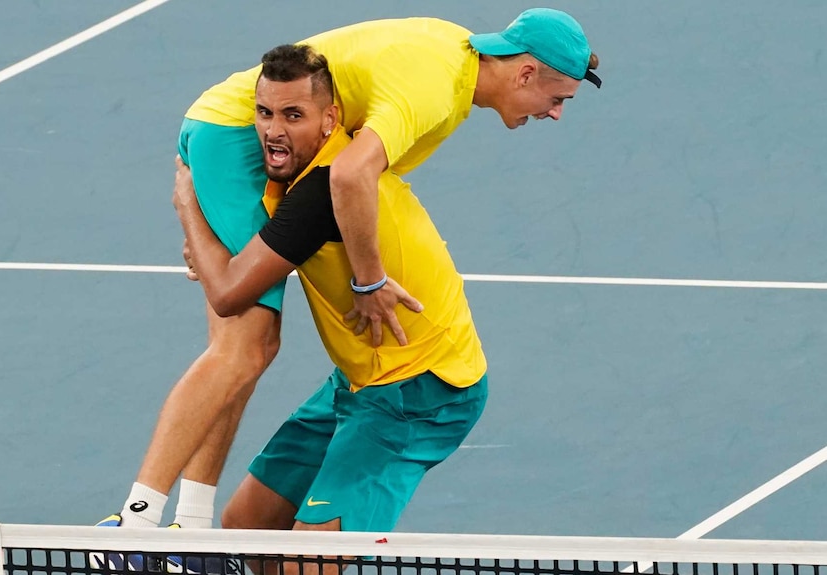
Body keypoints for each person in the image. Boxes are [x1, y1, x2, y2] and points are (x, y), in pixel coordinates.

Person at [96, 7, 600, 536]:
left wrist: (199, 222)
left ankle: (188, 527)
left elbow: (334, 191)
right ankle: (140, 521)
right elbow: (349, 177)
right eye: (558, 98)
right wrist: (370, 282)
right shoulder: (411, 107)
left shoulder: (453, 54)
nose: (556, 113)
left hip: (416, 382)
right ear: (524, 72)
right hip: (227, 136)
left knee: (251, 363)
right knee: (245, 346)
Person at [174, 44, 488, 570]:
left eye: (293, 115)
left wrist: (187, 204)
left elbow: (230, 294)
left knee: (309, 560)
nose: (274, 130)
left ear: (330, 119)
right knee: (247, 526)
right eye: (265, 113)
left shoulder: (320, 190)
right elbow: (248, 255)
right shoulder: (295, 177)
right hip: (358, 383)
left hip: (422, 392)